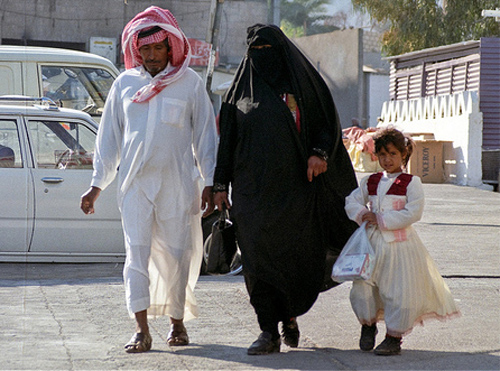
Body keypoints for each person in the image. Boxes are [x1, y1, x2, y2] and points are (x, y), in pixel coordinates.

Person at [213, 24, 358, 355]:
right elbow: (227, 144)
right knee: (255, 260)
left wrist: (320, 154)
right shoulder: (237, 95)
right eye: (256, 53)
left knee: (293, 259)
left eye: (269, 52)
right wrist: (220, 184)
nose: (263, 59)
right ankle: (268, 330)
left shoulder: (303, 89)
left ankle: (289, 316)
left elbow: (326, 125)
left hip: (296, 192)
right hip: (250, 194)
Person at [80, 6, 218, 353]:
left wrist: (210, 182)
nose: (152, 55)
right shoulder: (124, 85)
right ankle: (141, 329)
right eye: (145, 49)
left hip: (177, 184)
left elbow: (205, 138)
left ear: (170, 47)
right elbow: (109, 140)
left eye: (158, 48)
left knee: (178, 254)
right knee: (136, 256)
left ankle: (177, 323)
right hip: (135, 186)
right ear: (136, 51)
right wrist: (97, 186)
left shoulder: (189, 83)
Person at [344, 126, 461, 355]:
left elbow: (412, 213)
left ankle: (393, 337)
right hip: (371, 244)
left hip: (400, 246)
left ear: (404, 154)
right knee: (362, 285)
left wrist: (381, 218)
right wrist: (362, 214)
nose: (387, 160)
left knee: (396, 290)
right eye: (382, 155)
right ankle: (367, 325)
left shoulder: (410, 182)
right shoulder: (371, 181)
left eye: (393, 154)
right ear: (375, 155)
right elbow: (352, 201)